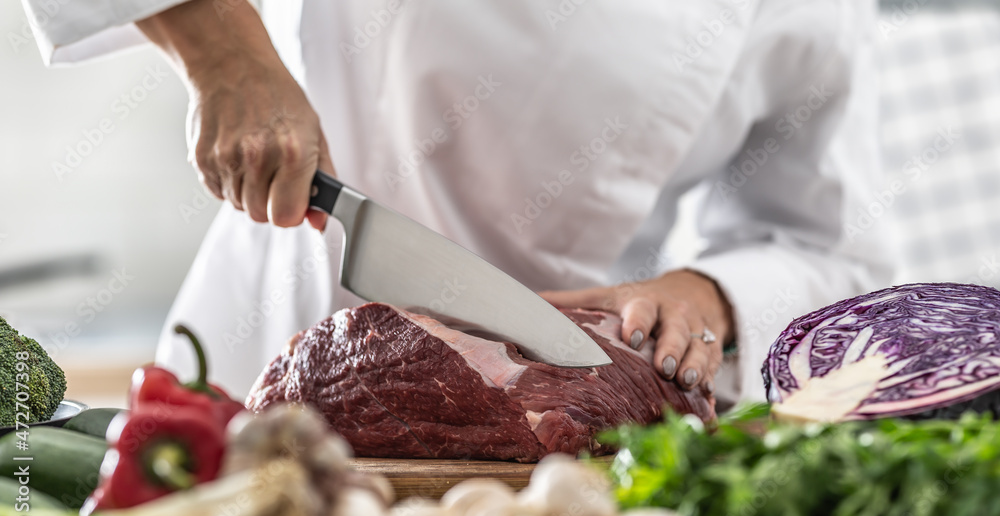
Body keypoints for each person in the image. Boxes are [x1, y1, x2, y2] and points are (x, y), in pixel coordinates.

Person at [24, 0, 892, 408]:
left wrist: (706, 294)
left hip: (564, 399)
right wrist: (223, 54)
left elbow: (835, 252)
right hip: (271, 317)